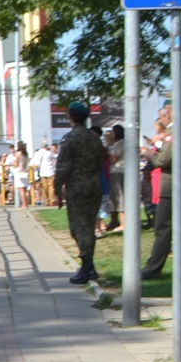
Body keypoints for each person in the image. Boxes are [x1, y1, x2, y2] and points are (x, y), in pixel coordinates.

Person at [142, 105, 181, 280]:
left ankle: (153, 268)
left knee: (163, 227)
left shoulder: (175, 129)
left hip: (172, 185)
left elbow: (164, 159)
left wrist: (150, 155)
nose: (161, 120)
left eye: (163, 116)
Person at [54, 105, 106, 284]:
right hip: (94, 185)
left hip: (77, 188)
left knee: (78, 227)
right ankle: (88, 265)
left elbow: (63, 166)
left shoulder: (70, 139)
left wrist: (57, 190)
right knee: (89, 225)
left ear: (71, 117)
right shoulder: (95, 138)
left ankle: (87, 266)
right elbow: (101, 162)